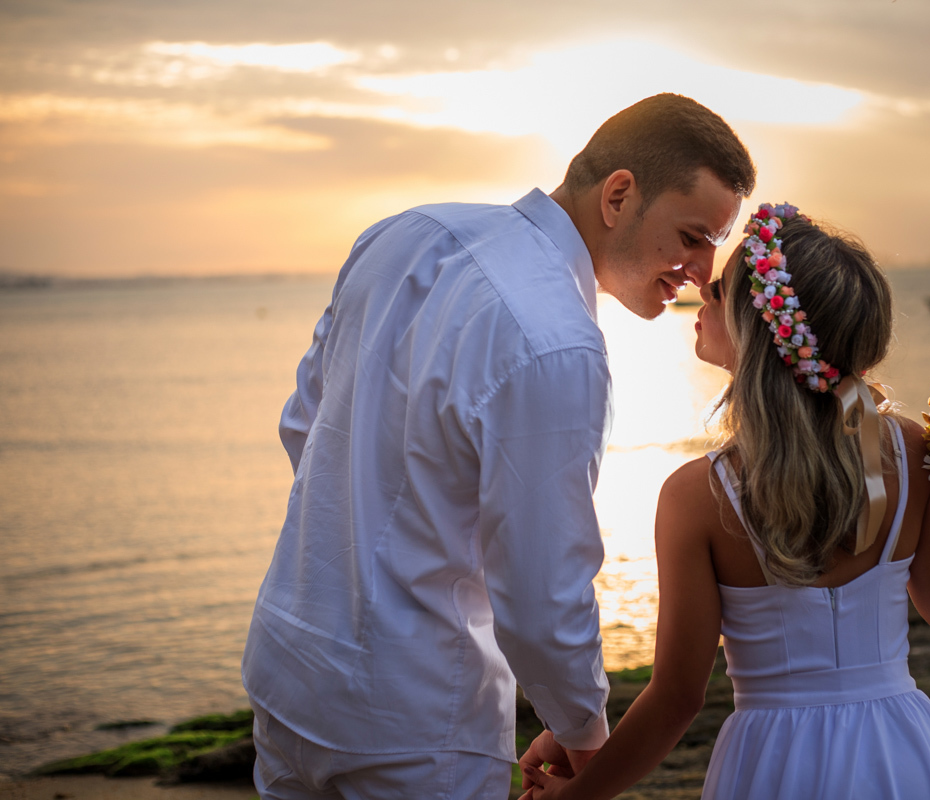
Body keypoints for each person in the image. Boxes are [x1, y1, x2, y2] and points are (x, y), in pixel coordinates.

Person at [240, 93, 756, 799]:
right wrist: (583, 730)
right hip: (413, 719)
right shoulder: (558, 342)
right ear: (618, 196)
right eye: (693, 236)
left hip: (289, 666)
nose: (702, 270)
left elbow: (305, 425)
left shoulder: (399, 235)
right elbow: (543, 585)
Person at [521, 205, 930, 799]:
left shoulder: (698, 496)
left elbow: (676, 699)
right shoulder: (913, 452)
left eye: (719, 289)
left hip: (775, 761)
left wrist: (578, 793)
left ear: (758, 329)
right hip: (904, 752)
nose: (701, 291)